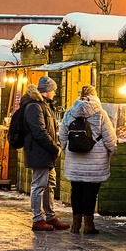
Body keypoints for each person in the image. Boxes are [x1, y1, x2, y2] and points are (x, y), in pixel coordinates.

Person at [61, 84, 117, 235]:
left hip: (74, 158)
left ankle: (75, 224)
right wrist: (112, 151)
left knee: (76, 190)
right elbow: (109, 136)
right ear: (95, 95)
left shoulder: (70, 112)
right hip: (96, 159)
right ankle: (88, 225)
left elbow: (62, 135)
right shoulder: (100, 113)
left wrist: (66, 149)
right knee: (91, 192)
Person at [20, 76, 68, 231]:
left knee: (50, 185)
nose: (55, 93)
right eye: (53, 90)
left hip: (46, 153)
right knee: (39, 186)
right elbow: (39, 131)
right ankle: (38, 218)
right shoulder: (35, 106)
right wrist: (54, 147)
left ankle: (50, 215)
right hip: (39, 152)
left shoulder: (44, 105)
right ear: (48, 91)